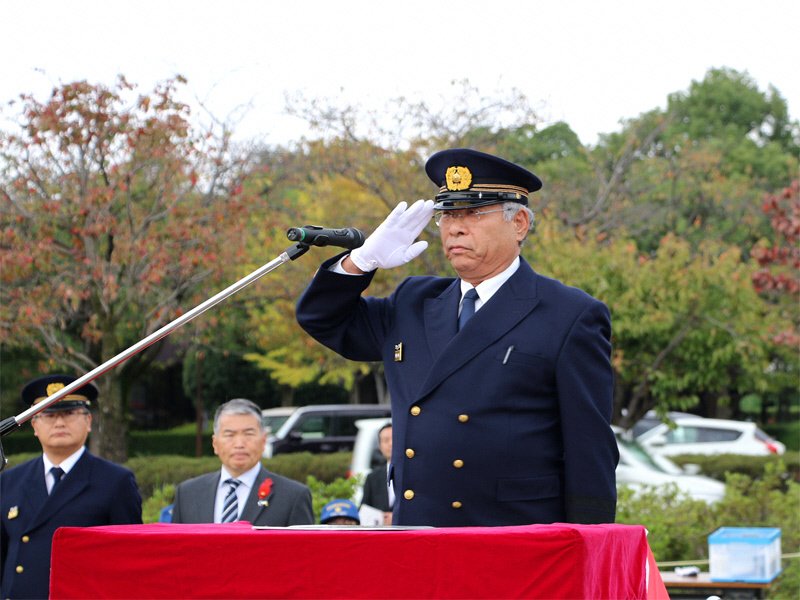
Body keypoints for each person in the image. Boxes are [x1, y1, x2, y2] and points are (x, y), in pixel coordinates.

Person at [296, 148, 619, 528]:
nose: (455, 228)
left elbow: (590, 448)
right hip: (419, 531)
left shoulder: (569, 313)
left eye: (473, 214)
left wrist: (587, 544)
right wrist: (360, 262)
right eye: (447, 214)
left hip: (513, 535)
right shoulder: (414, 301)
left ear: (519, 224)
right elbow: (322, 319)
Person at [0, 375, 143, 600]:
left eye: (69, 413)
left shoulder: (116, 481)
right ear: (35, 425)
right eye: (49, 415)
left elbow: (130, 561)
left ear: (88, 421)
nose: (59, 423)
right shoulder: (9, 481)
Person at [171, 398, 314, 526]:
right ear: (215, 444)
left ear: (263, 441)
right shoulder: (188, 494)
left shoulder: (293, 496)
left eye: (248, 434)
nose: (239, 444)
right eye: (229, 435)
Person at [360, 422, 394, 525]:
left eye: (394, 439)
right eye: (385, 440)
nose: (391, 443)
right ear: (380, 446)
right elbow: (364, 510)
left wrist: (396, 517)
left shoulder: (414, 475)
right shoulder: (372, 478)